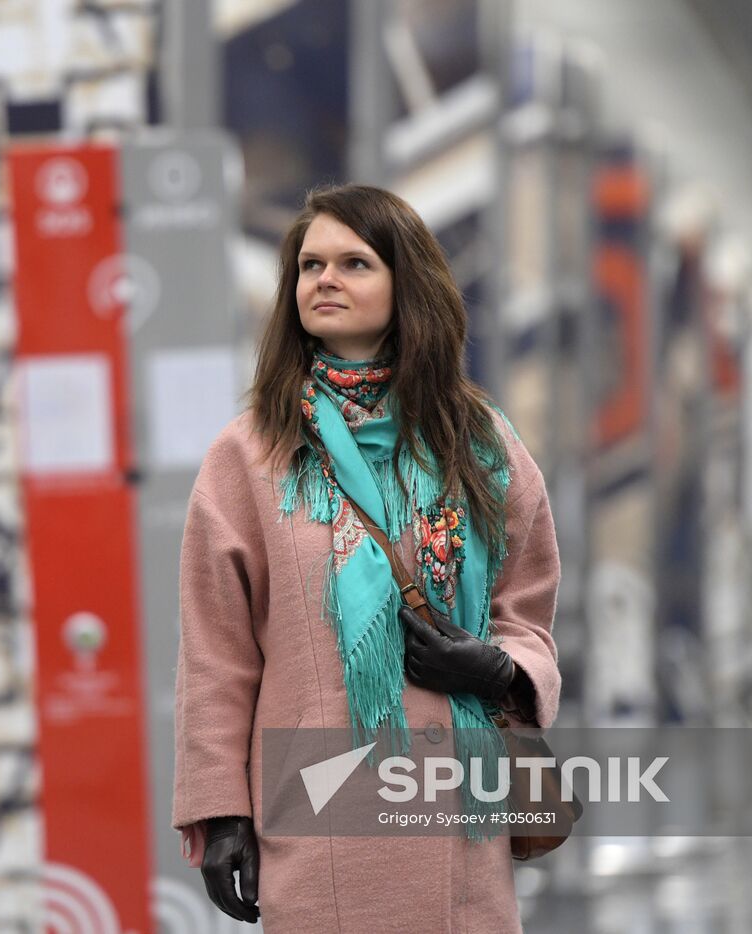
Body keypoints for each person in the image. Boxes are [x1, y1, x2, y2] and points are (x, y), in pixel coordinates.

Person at [171, 184, 562, 932]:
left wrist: (499, 669)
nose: (324, 280)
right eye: (310, 265)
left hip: (460, 815)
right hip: (321, 814)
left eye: (354, 263)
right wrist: (221, 812)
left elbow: (527, 609)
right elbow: (216, 655)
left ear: (405, 284)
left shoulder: (480, 444)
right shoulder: (250, 455)